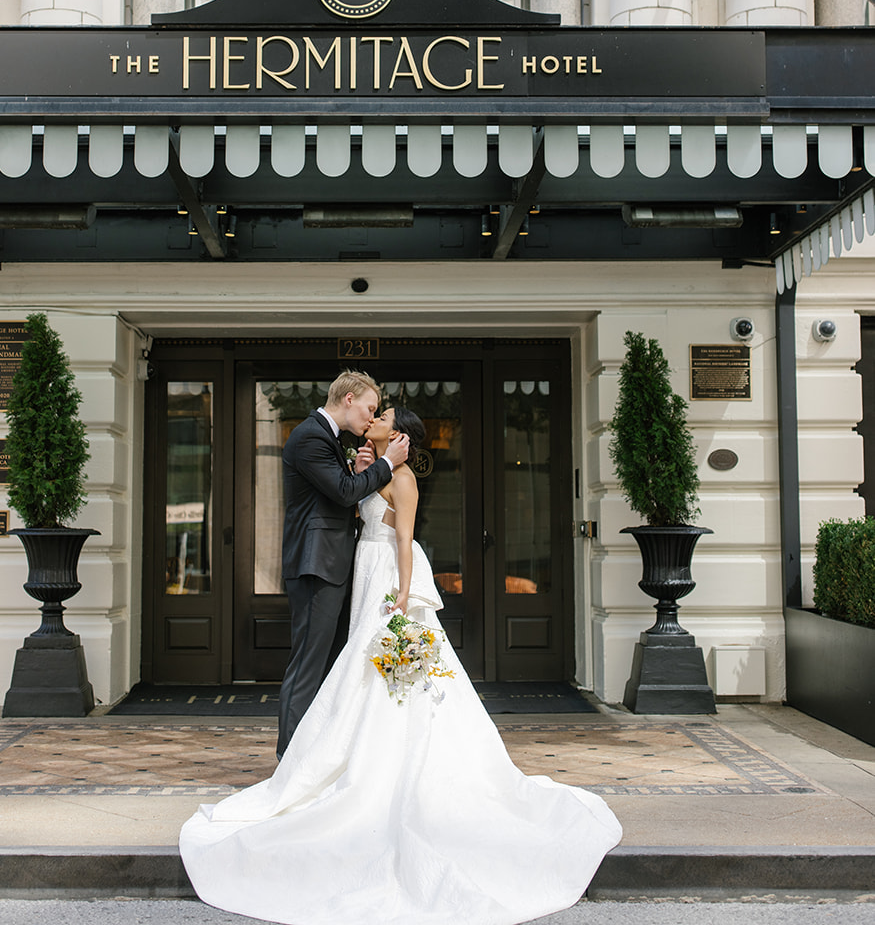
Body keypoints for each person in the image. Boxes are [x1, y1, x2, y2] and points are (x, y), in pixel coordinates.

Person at [180, 395, 623, 925]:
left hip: (389, 575)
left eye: (382, 417)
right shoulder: (373, 465)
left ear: (399, 435)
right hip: (365, 569)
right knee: (361, 671)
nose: (373, 420)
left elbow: (407, 540)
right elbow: (353, 498)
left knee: (390, 675)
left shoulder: (404, 477)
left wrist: (403, 596)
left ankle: (383, 764)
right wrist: (368, 469)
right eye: (373, 412)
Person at [275, 368, 410, 757]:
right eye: (370, 408)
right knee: (307, 666)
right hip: (315, 565)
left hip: (329, 564)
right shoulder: (310, 436)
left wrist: (362, 472)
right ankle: (289, 759)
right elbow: (342, 491)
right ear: (348, 399)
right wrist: (386, 465)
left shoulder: (328, 438)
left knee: (327, 666)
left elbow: (340, 493)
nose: (371, 418)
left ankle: (313, 753)